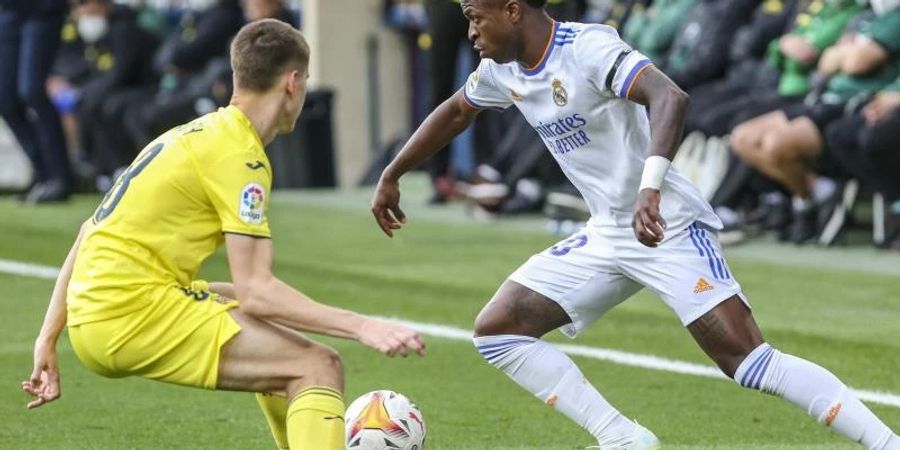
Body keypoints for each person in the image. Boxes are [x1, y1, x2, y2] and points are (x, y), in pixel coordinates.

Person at [369, 1, 900, 448]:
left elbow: (670, 96)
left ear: (512, 11)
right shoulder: (502, 70)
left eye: (475, 16)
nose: (470, 31)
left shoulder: (587, 47)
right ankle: (623, 438)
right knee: (498, 331)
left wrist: (651, 184)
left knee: (748, 362)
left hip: (665, 223)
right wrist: (394, 171)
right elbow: (458, 111)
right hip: (606, 233)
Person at [23, 19, 425, 450]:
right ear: (292, 83)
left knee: (258, 325)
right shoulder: (241, 157)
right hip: (129, 312)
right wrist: (363, 326)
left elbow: (90, 232)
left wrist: (48, 338)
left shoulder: (187, 136)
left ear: (238, 76)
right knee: (318, 364)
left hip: (95, 312)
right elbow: (259, 290)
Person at [0, 0, 72, 203]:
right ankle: (42, 176)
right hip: (10, 10)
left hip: (43, 10)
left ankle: (59, 177)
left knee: (33, 92)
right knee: (5, 100)